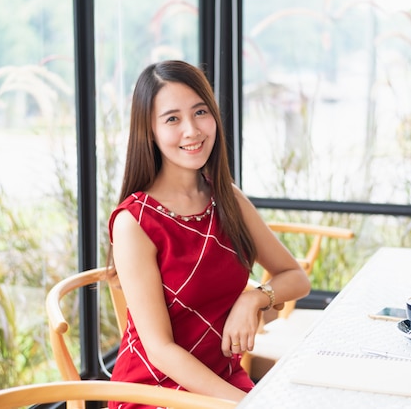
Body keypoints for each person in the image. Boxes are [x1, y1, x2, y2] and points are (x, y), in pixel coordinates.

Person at [107, 59, 310, 408]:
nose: (192, 130)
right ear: (149, 131)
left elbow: (296, 278)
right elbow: (160, 350)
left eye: (200, 112)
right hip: (153, 393)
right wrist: (245, 403)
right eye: (172, 119)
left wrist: (254, 298)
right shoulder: (134, 221)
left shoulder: (226, 198)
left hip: (222, 380)